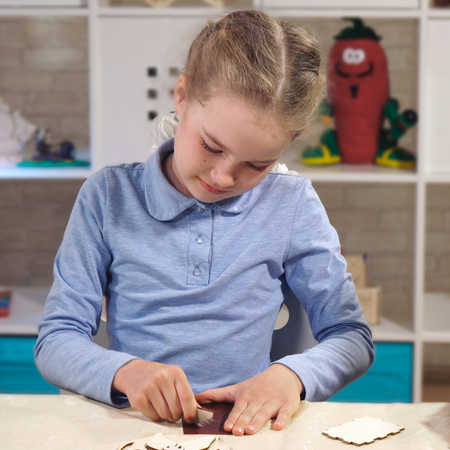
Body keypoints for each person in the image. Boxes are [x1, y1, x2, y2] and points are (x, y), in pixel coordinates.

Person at [34, 10, 373, 437]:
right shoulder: (107, 196)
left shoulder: (292, 204)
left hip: (245, 435)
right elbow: (56, 340)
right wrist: (126, 373)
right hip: (133, 431)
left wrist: (292, 376)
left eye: (257, 164)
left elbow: (351, 336)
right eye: (211, 146)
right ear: (182, 95)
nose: (223, 177)